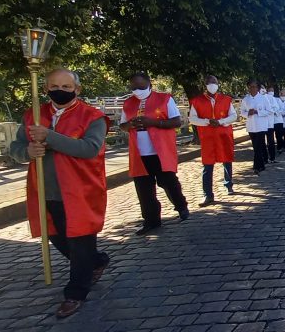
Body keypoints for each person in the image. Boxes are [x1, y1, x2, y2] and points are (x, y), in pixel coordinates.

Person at [11, 68, 109, 318]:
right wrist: (27, 153)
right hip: (45, 188)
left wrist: (50, 137)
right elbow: (17, 146)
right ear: (45, 89)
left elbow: (89, 148)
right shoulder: (33, 115)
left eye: (67, 87)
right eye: (55, 86)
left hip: (80, 190)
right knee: (56, 236)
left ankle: (75, 293)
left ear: (77, 89)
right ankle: (95, 261)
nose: (60, 91)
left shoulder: (92, 116)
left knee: (79, 242)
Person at [120, 72, 190, 234]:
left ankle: (181, 206)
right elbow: (123, 125)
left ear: (149, 84)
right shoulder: (128, 103)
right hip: (139, 153)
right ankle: (151, 220)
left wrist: (153, 122)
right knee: (144, 189)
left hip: (160, 150)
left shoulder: (164, 99)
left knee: (168, 181)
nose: (137, 90)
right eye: (134, 87)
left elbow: (176, 121)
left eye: (141, 86)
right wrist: (130, 125)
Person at [189, 75, 237, 206]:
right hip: (208, 137)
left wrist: (221, 122)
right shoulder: (197, 101)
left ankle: (229, 184)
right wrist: (207, 121)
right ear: (205, 84)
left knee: (227, 159)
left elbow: (233, 116)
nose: (212, 84)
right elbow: (192, 119)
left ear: (218, 84)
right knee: (207, 165)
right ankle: (208, 194)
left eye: (214, 82)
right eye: (209, 82)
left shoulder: (226, 99)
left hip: (223, 134)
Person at [240, 79, 271, 173]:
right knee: (256, 146)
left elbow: (269, 111)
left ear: (257, 88)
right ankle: (261, 164)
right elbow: (242, 112)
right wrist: (248, 113)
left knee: (258, 146)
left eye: (254, 87)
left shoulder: (263, 98)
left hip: (261, 126)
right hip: (251, 126)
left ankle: (257, 166)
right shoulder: (246, 99)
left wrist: (258, 112)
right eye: (250, 87)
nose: (252, 89)